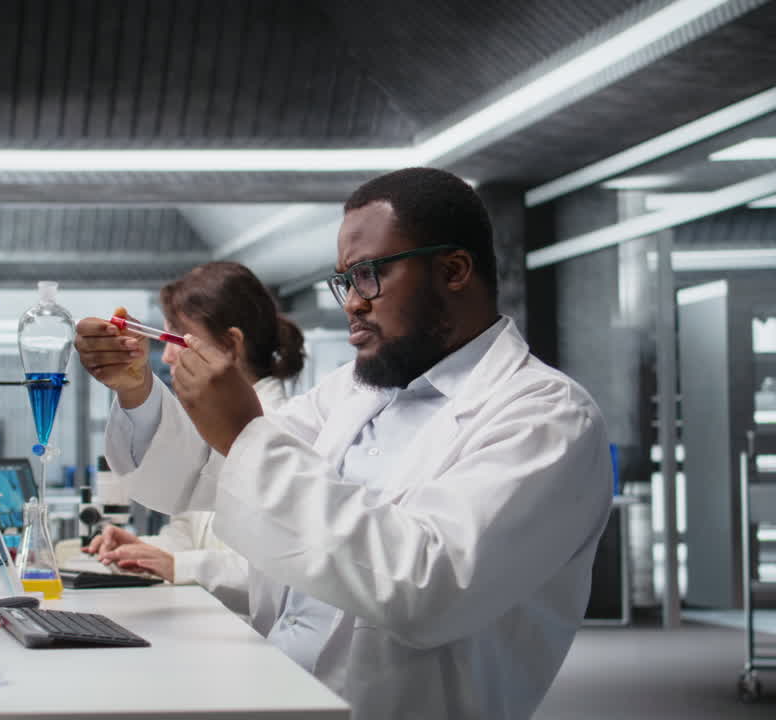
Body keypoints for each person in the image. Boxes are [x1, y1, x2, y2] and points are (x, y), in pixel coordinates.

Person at [75, 167, 612, 720]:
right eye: (345, 281)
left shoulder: (546, 416)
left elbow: (427, 589)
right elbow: (202, 479)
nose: (351, 303)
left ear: (453, 270)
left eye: (369, 275)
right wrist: (138, 391)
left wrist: (244, 431)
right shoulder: (351, 393)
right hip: (281, 696)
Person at [83, 262, 304, 616]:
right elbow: (188, 526)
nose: (167, 355)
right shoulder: (210, 428)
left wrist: (178, 566)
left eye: (176, 338)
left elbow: (296, 572)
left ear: (231, 345)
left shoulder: (293, 432)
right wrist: (143, 550)